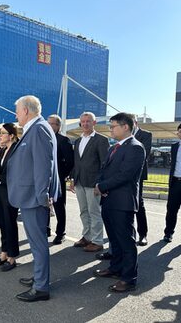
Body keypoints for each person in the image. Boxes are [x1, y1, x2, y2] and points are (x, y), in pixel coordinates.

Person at [7, 95, 59, 302]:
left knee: (38, 243)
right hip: (30, 196)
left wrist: (41, 196)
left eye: (17, 111)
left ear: (26, 111)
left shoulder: (39, 129)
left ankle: (41, 287)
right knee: (35, 242)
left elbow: (43, 166)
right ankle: (39, 277)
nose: (16, 114)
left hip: (34, 197)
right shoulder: (36, 128)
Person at [93, 112, 145, 293]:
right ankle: (115, 268)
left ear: (125, 127)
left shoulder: (135, 147)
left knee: (126, 241)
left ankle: (129, 278)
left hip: (122, 202)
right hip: (109, 200)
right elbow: (104, 170)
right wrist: (100, 183)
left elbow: (126, 175)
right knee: (114, 240)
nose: (110, 129)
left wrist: (102, 186)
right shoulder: (113, 148)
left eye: (113, 126)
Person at [70, 112, 109, 252]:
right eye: (83, 121)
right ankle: (87, 237)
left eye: (88, 121)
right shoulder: (78, 141)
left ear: (94, 123)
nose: (85, 124)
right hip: (80, 181)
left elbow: (105, 164)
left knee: (94, 212)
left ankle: (97, 241)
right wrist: (73, 179)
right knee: (83, 211)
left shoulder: (101, 140)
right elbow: (77, 162)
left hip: (93, 183)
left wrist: (100, 183)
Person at [0, 123, 20, 272]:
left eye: (2, 133)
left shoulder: (17, 149)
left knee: (10, 222)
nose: (0, 136)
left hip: (11, 191)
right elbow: (0, 169)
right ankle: (4, 253)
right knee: (2, 221)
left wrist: (0, 178)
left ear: (11, 135)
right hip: (0, 190)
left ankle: (12, 257)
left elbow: (17, 172)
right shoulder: (2, 150)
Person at [47, 114, 74, 245]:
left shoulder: (64, 140)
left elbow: (70, 162)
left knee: (59, 207)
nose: (49, 125)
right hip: (44, 179)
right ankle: (46, 229)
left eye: (52, 123)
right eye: (48, 123)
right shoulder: (44, 139)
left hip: (58, 180)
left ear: (58, 126)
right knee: (44, 205)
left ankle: (60, 233)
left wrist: (61, 176)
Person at [132, 116, 152, 246]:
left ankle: (143, 234)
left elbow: (145, 154)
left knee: (139, 204)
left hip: (137, 175)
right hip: (122, 176)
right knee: (124, 205)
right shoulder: (121, 134)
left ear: (135, 123)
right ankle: (128, 233)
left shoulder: (145, 135)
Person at [163, 123, 181, 243]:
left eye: (180, 132)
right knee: (171, 210)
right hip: (175, 182)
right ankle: (168, 233)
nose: (178, 134)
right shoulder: (174, 146)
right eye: (178, 132)